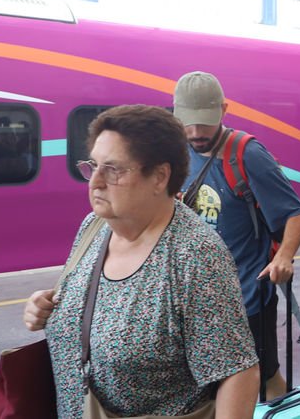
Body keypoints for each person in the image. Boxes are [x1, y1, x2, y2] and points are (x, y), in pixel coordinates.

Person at [23, 105, 259, 418]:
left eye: (113, 170)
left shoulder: (194, 257)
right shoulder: (93, 228)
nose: (94, 182)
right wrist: (48, 308)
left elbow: (238, 374)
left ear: (160, 176)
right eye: (93, 166)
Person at [174, 71, 300, 398]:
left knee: (264, 377)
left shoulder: (247, 154)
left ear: (224, 109)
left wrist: (284, 257)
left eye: (204, 123)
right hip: (199, 298)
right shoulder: (177, 151)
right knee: (212, 383)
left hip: (248, 294)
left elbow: (296, 214)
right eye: (188, 123)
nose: (196, 133)